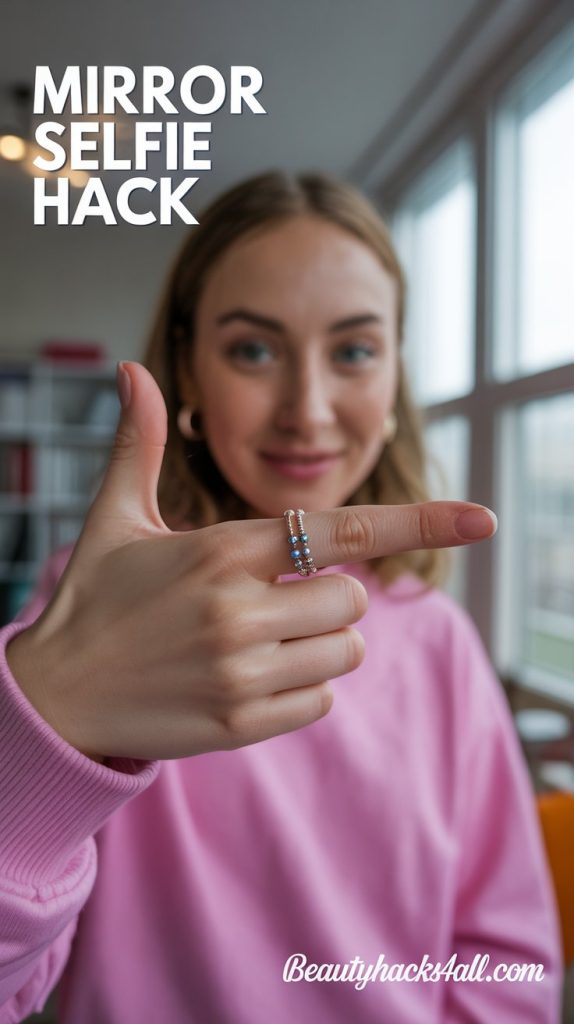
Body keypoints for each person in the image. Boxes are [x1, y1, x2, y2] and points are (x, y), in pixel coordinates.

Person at [0, 172, 561, 1023]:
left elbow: (510, 962)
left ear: (395, 372)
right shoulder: (97, 603)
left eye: (354, 351)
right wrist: (41, 737)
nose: (308, 410)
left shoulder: (438, 639)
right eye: (254, 351)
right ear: (188, 367)